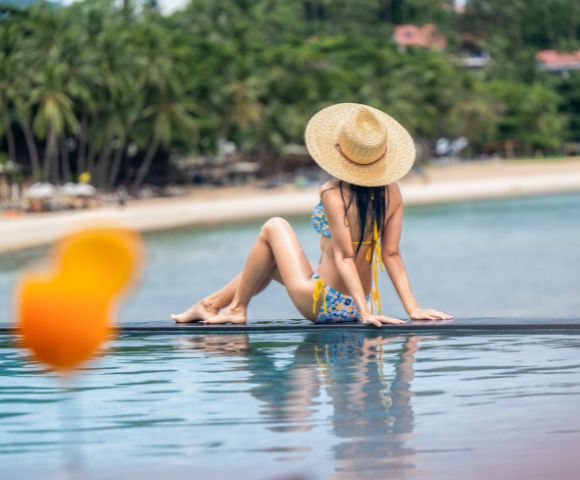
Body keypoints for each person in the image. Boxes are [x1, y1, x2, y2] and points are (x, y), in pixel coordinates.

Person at [171, 103, 452, 326]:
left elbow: (343, 256)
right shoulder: (392, 192)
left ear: (340, 151)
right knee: (269, 258)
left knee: (274, 226)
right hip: (354, 303)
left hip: (323, 303)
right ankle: (212, 305)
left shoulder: (333, 192)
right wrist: (411, 308)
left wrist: (367, 315)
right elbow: (391, 254)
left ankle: (234, 308)